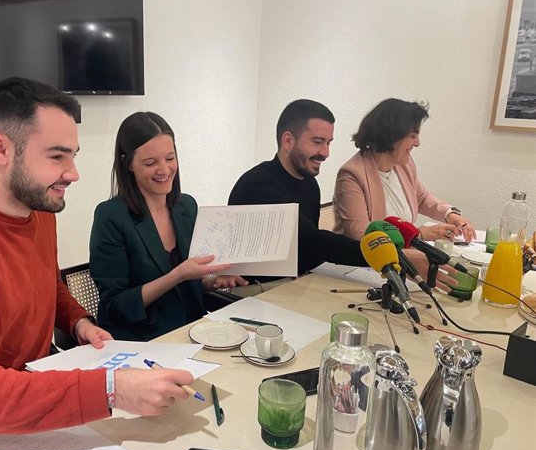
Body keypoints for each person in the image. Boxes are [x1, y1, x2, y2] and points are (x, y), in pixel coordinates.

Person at [0, 78, 194, 448]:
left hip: (28, 401)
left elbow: (46, 283)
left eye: (73, 156)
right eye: (56, 156)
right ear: (0, 149)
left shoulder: (39, 211)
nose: (73, 173)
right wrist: (112, 390)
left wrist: (77, 321)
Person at [90, 112, 247, 341]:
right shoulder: (111, 216)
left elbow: (185, 287)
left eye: (170, 158)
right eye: (151, 163)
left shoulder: (186, 206)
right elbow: (116, 305)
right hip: (143, 340)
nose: (164, 170)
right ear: (128, 164)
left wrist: (211, 282)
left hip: (192, 332)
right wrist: (177, 275)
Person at [228, 99, 367, 279]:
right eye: (317, 142)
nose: (325, 152)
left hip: (297, 285)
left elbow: (309, 255)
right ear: (288, 141)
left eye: (328, 143)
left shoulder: (309, 184)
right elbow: (312, 242)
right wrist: (377, 254)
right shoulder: (257, 186)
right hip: (254, 295)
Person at [333, 98, 476, 242]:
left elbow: (421, 198)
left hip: (399, 254)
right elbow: (361, 233)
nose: (418, 143)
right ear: (391, 135)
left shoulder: (404, 165)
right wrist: (417, 234)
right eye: (412, 136)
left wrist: (449, 214)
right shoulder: (352, 175)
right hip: (362, 261)